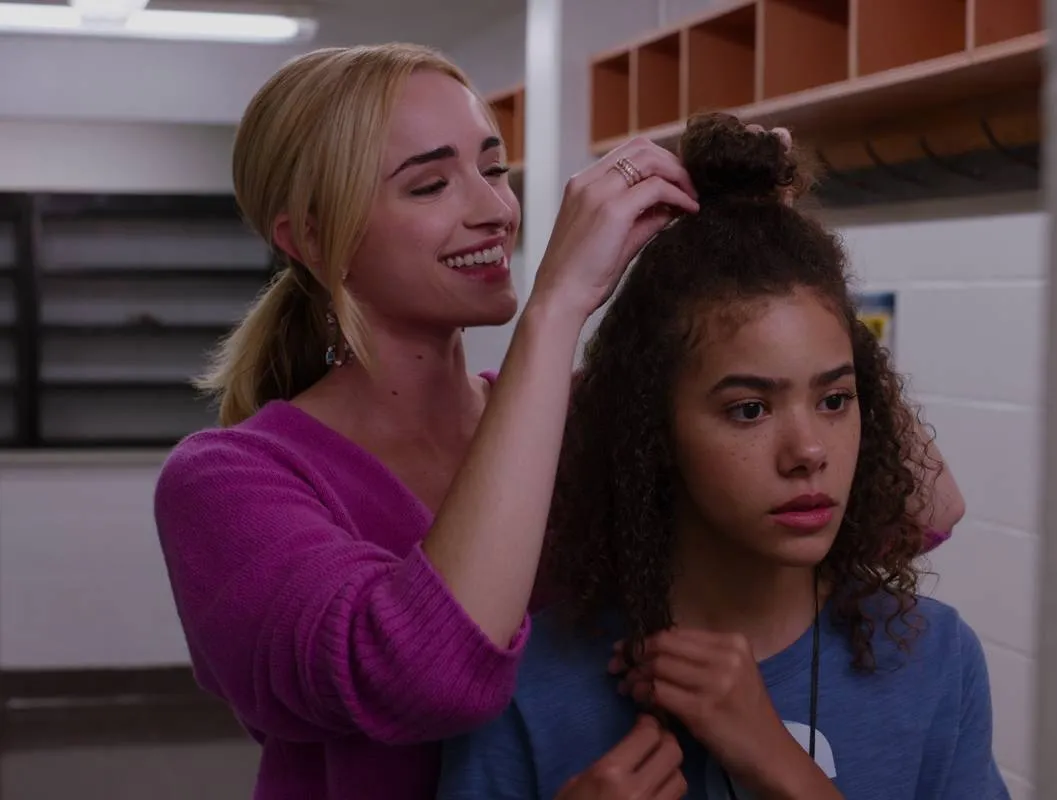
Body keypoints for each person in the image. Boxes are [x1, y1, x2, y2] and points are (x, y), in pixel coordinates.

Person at [151, 42, 700, 800]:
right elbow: (428, 677)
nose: (495, 210)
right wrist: (553, 311)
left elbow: (908, 513)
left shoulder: (581, 417)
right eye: (431, 184)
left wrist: (743, 251)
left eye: (495, 170)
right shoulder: (227, 483)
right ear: (312, 239)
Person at [436, 113, 1006, 800]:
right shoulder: (530, 689)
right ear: (654, 431)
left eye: (834, 400)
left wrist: (781, 767)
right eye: (749, 410)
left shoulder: (934, 658)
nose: (808, 453)